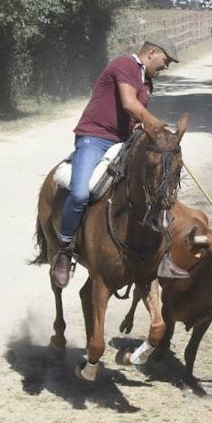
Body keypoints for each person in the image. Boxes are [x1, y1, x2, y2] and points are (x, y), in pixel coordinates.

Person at [51, 37, 177, 287]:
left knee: (157, 184)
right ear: (152, 53)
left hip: (125, 140)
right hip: (95, 138)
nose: (167, 66)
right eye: (166, 60)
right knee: (79, 194)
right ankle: (64, 251)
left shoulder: (147, 81)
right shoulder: (125, 64)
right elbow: (129, 104)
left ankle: (163, 252)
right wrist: (158, 126)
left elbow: (136, 118)